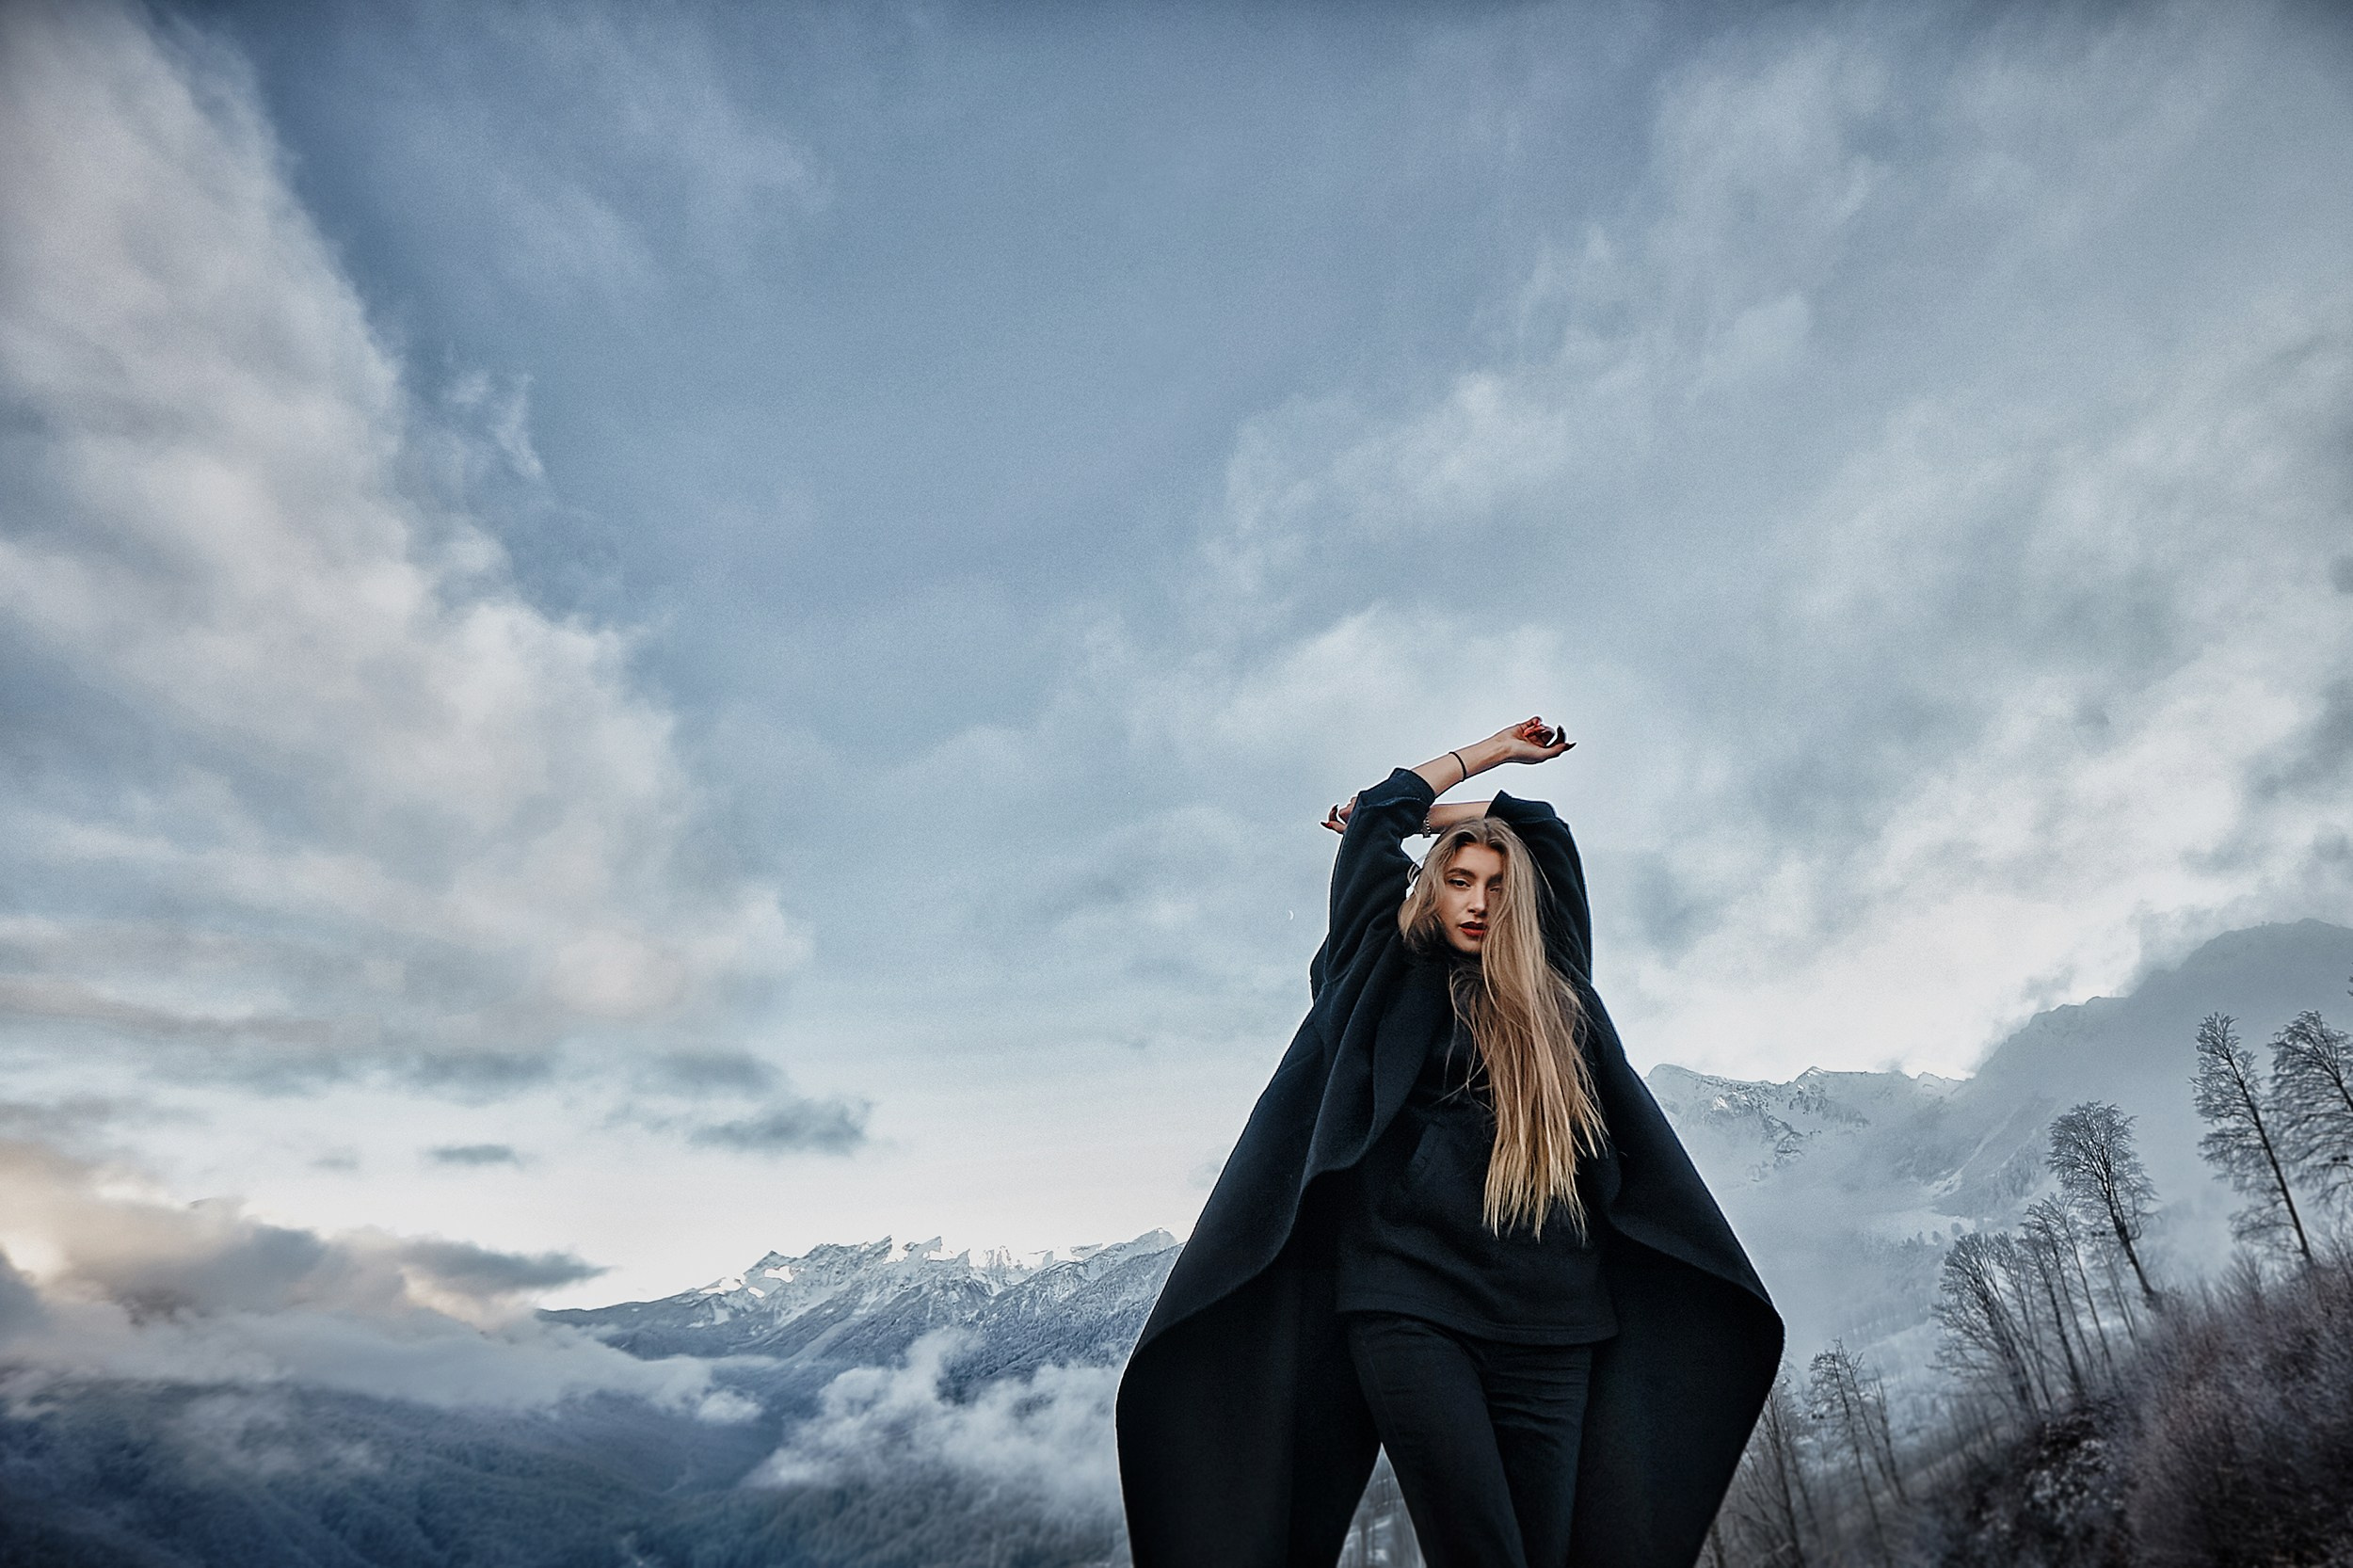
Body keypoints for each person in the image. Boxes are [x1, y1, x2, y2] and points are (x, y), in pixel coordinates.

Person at [1115, 718, 1783, 1568]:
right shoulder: (1375, 969)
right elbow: (1377, 816)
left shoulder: (1555, 984)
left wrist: (1450, 822)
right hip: (1409, 1308)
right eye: (1460, 880)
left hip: (1557, 1322)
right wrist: (1493, 753)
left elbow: (1546, 832)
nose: (1478, 901)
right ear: (1430, 889)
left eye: (1497, 886)